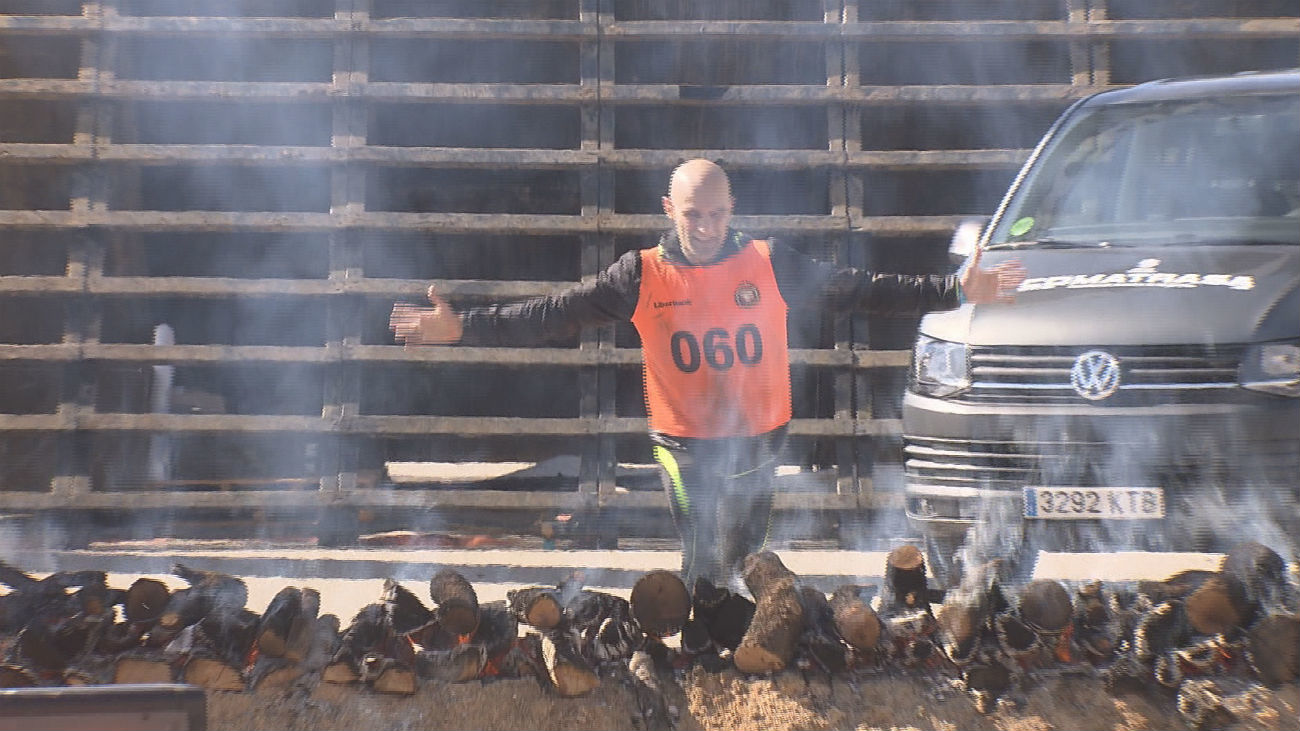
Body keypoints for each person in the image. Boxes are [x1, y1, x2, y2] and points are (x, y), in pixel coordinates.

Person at [390, 159, 1026, 590]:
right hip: (683, 443)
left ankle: (752, 664)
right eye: (692, 215)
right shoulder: (640, 273)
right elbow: (555, 315)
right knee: (700, 558)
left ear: (732, 209)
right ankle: (697, 652)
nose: (705, 228)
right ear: (670, 209)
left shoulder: (769, 262)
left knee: (748, 559)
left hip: (759, 437)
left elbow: (863, 289)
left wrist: (954, 290)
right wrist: (464, 326)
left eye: (717, 214)